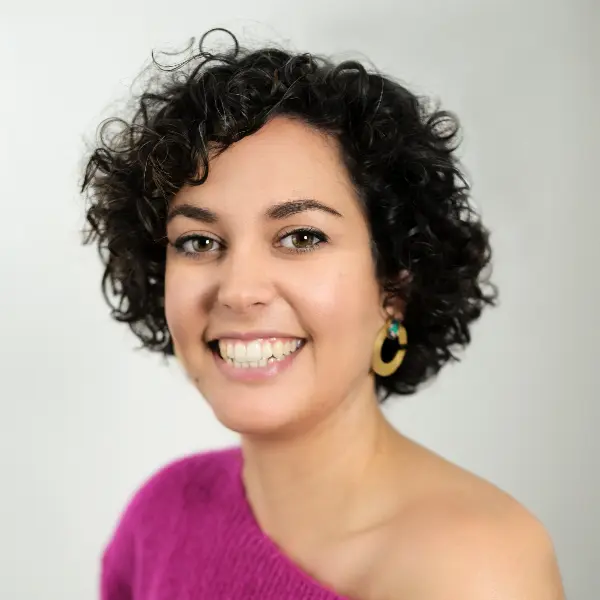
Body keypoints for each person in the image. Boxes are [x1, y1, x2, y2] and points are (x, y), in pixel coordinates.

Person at [81, 28, 564, 600]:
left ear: (394, 285)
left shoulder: (479, 569)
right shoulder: (159, 517)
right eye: (199, 242)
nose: (238, 290)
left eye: (301, 236)